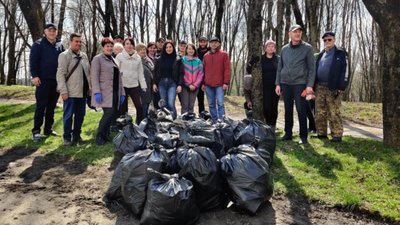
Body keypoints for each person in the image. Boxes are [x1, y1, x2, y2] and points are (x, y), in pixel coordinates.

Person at [275, 24, 315, 144]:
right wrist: (278, 83)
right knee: (287, 110)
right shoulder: (284, 49)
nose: (297, 34)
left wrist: (309, 85)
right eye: (295, 32)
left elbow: (312, 68)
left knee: (301, 109)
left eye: (299, 32)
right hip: (285, 84)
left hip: (300, 84)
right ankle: (288, 133)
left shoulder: (307, 48)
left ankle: (303, 136)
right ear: (290, 34)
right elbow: (280, 67)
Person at [30, 23, 65, 141]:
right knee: (41, 106)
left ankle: (48, 129)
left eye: (54, 30)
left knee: (51, 107)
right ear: (45, 31)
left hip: (56, 81)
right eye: (50, 30)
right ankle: (36, 131)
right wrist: (34, 76)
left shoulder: (60, 45)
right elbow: (33, 62)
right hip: (42, 81)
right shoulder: (38, 44)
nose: (52, 32)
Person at [314, 31, 349, 142]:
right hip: (320, 87)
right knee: (320, 112)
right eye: (325, 40)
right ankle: (321, 133)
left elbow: (346, 70)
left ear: (334, 40)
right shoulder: (321, 54)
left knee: (334, 112)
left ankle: (337, 135)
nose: (327, 42)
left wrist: (341, 86)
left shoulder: (340, 53)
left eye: (329, 39)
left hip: (333, 87)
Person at [56, 33, 91, 145]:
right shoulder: (64, 55)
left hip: (82, 92)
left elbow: (88, 73)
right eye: (76, 41)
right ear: (70, 42)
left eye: (80, 41)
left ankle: (77, 136)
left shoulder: (84, 56)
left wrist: (90, 89)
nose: (78, 43)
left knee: (80, 115)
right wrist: (63, 91)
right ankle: (67, 137)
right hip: (70, 92)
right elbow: (60, 74)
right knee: (68, 116)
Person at [91, 37, 125, 145]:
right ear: (103, 47)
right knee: (108, 113)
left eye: (111, 46)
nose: (109, 48)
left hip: (115, 92)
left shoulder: (114, 60)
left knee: (112, 114)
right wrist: (96, 92)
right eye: (107, 46)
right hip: (104, 92)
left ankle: (106, 135)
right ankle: (100, 136)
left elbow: (119, 78)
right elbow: (94, 77)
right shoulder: (98, 59)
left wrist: (122, 93)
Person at [115, 38, 147, 124]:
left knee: (139, 106)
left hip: (134, 85)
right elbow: (116, 71)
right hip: (123, 86)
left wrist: (143, 85)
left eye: (131, 44)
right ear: (124, 45)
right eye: (127, 44)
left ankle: (139, 124)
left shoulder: (137, 58)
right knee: (123, 107)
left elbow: (140, 73)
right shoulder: (119, 56)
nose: (129, 46)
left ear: (133, 45)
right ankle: (124, 125)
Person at [202, 36, 231, 123]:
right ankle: (215, 122)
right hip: (208, 85)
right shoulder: (206, 56)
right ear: (209, 44)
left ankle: (222, 122)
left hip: (220, 84)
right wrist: (203, 83)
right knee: (211, 104)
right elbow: (203, 70)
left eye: (216, 42)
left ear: (219, 44)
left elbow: (227, 69)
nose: (214, 44)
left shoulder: (224, 54)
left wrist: (226, 82)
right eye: (212, 42)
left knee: (220, 104)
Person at [152, 41, 183, 119]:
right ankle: (165, 122)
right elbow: (155, 72)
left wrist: (179, 85)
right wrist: (154, 83)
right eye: (167, 47)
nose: (168, 49)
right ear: (164, 49)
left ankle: (173, 121)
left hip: (172, 83)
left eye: (170, 47)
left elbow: (181, 73)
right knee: (164, 104)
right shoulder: (159, 59)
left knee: (171, 103)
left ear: (173, 48)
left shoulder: (178, 59)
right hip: (161, 83)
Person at [181, 43, 204, 114]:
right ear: (186, 50)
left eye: (192, 49)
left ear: (194, 50)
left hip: (195, 87)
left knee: (191, 105)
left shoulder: (198, 61)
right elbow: (181, 73)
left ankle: (190, 122)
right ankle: (183, 122)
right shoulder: (183, 60)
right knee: (185, 105)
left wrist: (195, 85)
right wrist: (188, 84)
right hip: (185, 86)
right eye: (189, 49)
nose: (191, 50)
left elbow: (201, 74)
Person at [136, 43, 153, 119]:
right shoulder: (136, 61)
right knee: (143, 108)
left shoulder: (146, 61)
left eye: (144, 49)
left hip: (148, 88)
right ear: (137, 52)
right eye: (141, 50)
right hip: (141, 89)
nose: (143, 51)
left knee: (146, 107)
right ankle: (141, 125)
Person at [196, 36, 209, 114]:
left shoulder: (210, 51)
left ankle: (215, 117)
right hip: (199, 78)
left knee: (211, 99)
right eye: (201, 41)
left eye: (204, 41)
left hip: (209, 77)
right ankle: (201, 114)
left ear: (206, 42)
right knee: (200, 98)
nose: (203, 43)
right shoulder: (196, 52)